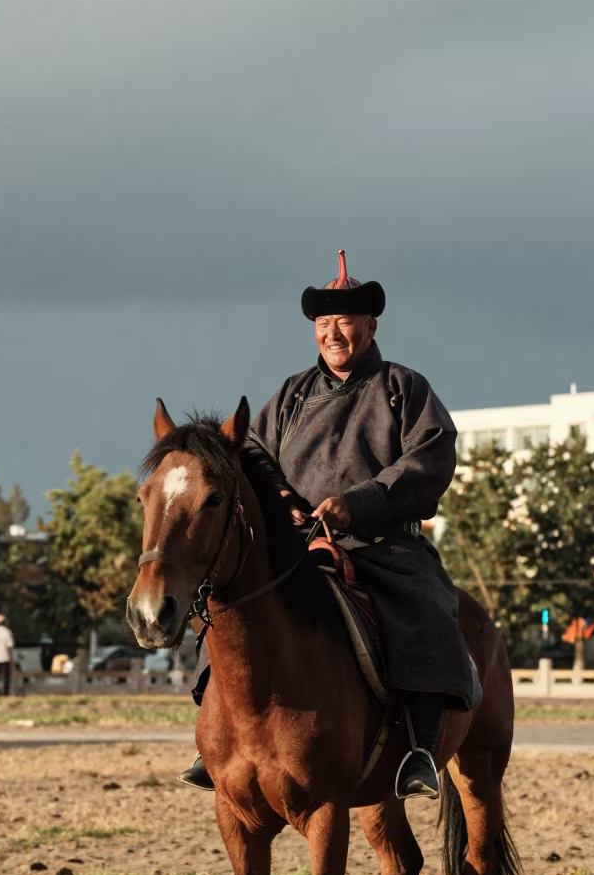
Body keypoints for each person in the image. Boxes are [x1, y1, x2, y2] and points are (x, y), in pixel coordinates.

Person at [180, 250, 477, 800]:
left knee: (426, 610)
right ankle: (216, 744)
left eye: (344, 321)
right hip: (300, 549)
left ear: (370, 324)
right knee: (229, 614)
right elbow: (254, 454)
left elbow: (430, 458)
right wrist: (286, 500)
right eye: (323, 323)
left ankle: (419, 752)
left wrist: (357, 504)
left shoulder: (402, 387)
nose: (333, 333)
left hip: (382, 545)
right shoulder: (291, 396)